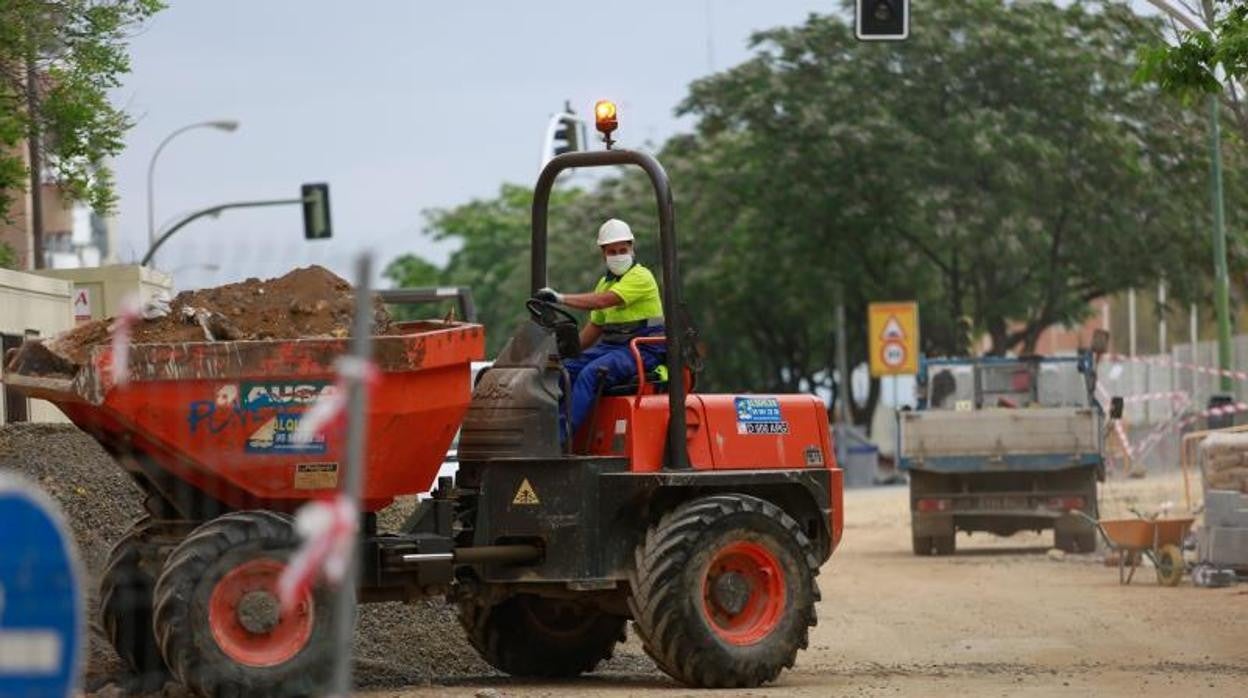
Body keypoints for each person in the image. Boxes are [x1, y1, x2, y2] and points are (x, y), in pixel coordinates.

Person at [534, 218, 666, 437]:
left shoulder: (641, 277)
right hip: (613, 348)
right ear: (603, 253)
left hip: (643, 349)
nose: (618, 255)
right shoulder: (605, 283)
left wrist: (560, 298)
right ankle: (543, 433)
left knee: (591, 374)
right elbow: (595, 327)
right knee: (564, 371)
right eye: (612, 251)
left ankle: (560, 439)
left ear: (632, 248)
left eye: (622, 249)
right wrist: (560, 354)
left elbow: (604, 301)